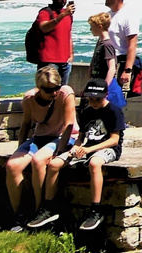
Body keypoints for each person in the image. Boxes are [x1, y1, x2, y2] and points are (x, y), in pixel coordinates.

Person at [33, 76, 125, 232]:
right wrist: (75, 148)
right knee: (54, 164)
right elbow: (81, 137)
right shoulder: (86, 111)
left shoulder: (114, 111)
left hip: (107, 149)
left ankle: (95, 209)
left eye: (97, 99)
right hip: (87, 147)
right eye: (90, 99)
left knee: (95, 163)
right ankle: (49, 206)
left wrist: (89, 150)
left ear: (104, 96)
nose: (93, 103)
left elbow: (114, 140)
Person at [4, 65, 75, 225]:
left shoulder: (65, 93)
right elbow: (26, 125)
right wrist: (20, 148)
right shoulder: (29, 99)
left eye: (56, 88)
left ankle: (40, 208)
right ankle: (19, 214)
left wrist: (60, 150)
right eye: (49, 90)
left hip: (63, 137)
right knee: (13, 165)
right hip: (40, 138)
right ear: (39, 88)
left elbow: (68, 125)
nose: (54, 93)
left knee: (39, 160)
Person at [33, 0, 77, 85]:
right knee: (47, 90)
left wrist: (71, 54)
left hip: (65, 61)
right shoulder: (45, 12)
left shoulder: (68, 14)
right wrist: (63, 15)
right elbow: (44, 28)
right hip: (48, 60)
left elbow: (68, 35)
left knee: (62, 91)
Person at [100, 0, 138, 89]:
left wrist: (127, 70)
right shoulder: (107, 15)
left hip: (120, 62)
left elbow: (132, 45)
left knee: (116, 97)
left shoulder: (128, 16)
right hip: (106, 60)